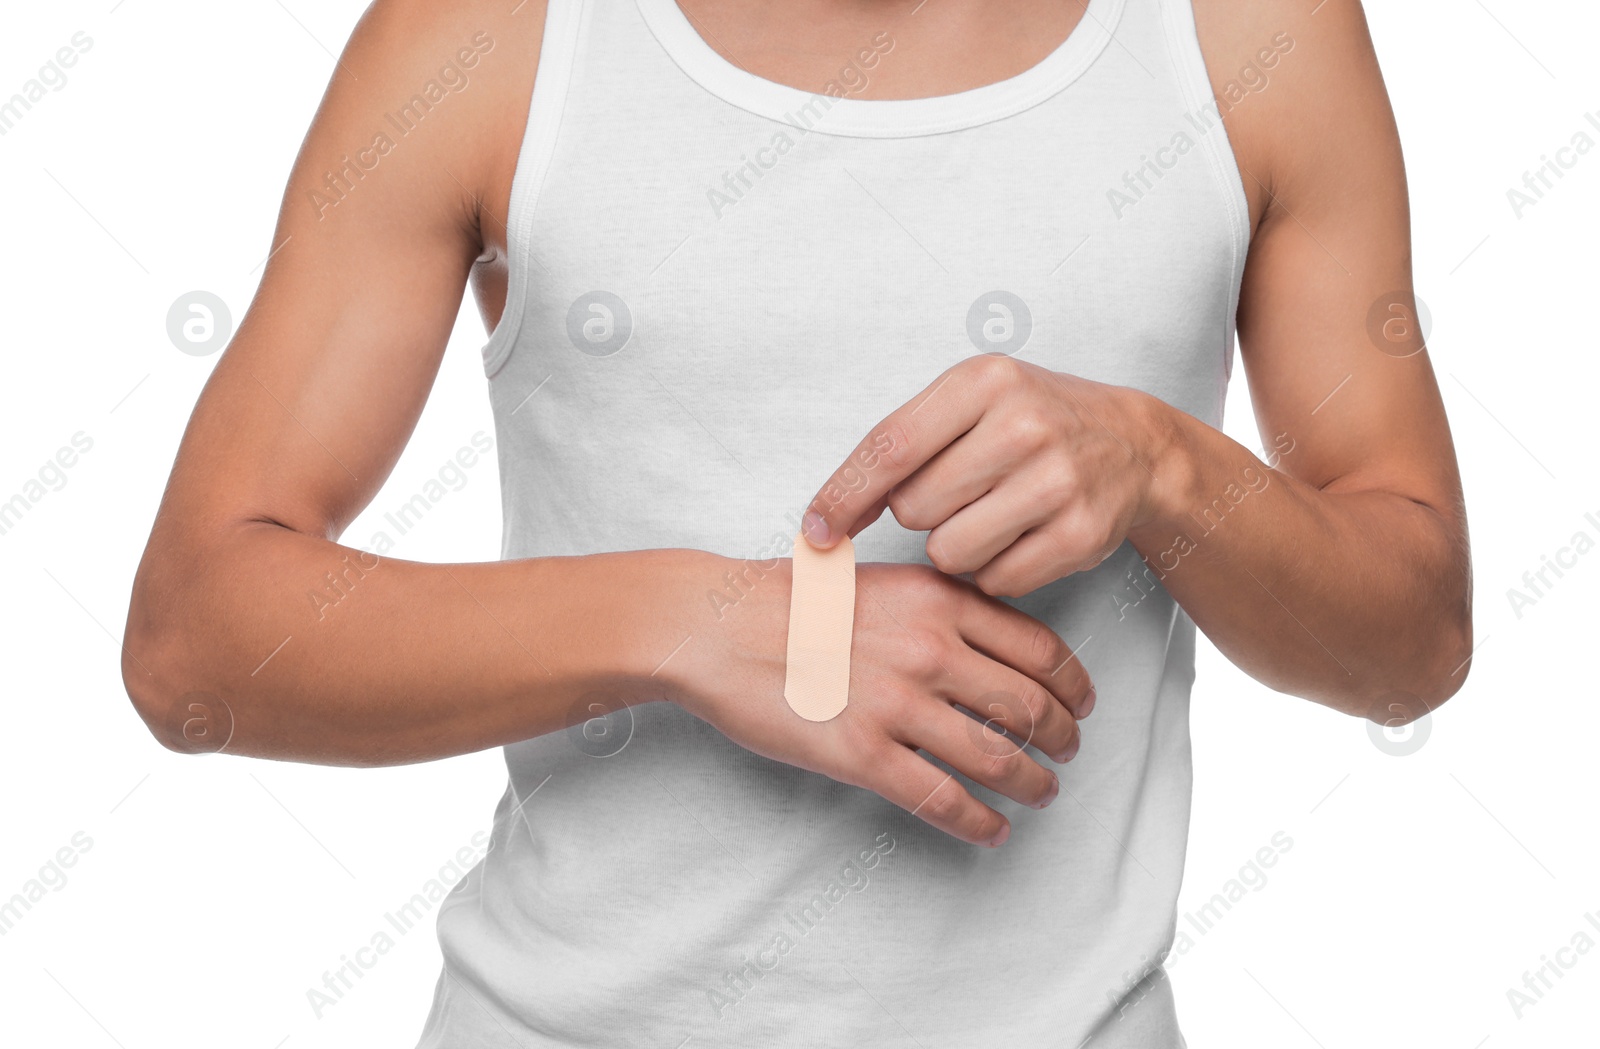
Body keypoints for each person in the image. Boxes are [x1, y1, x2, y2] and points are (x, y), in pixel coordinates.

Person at [122, 0, 1472, 1044]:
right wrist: (711, 624)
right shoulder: (494, 37)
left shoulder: (1248, 38)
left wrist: (1166, 466)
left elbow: (1413, 638)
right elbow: (197, 635)